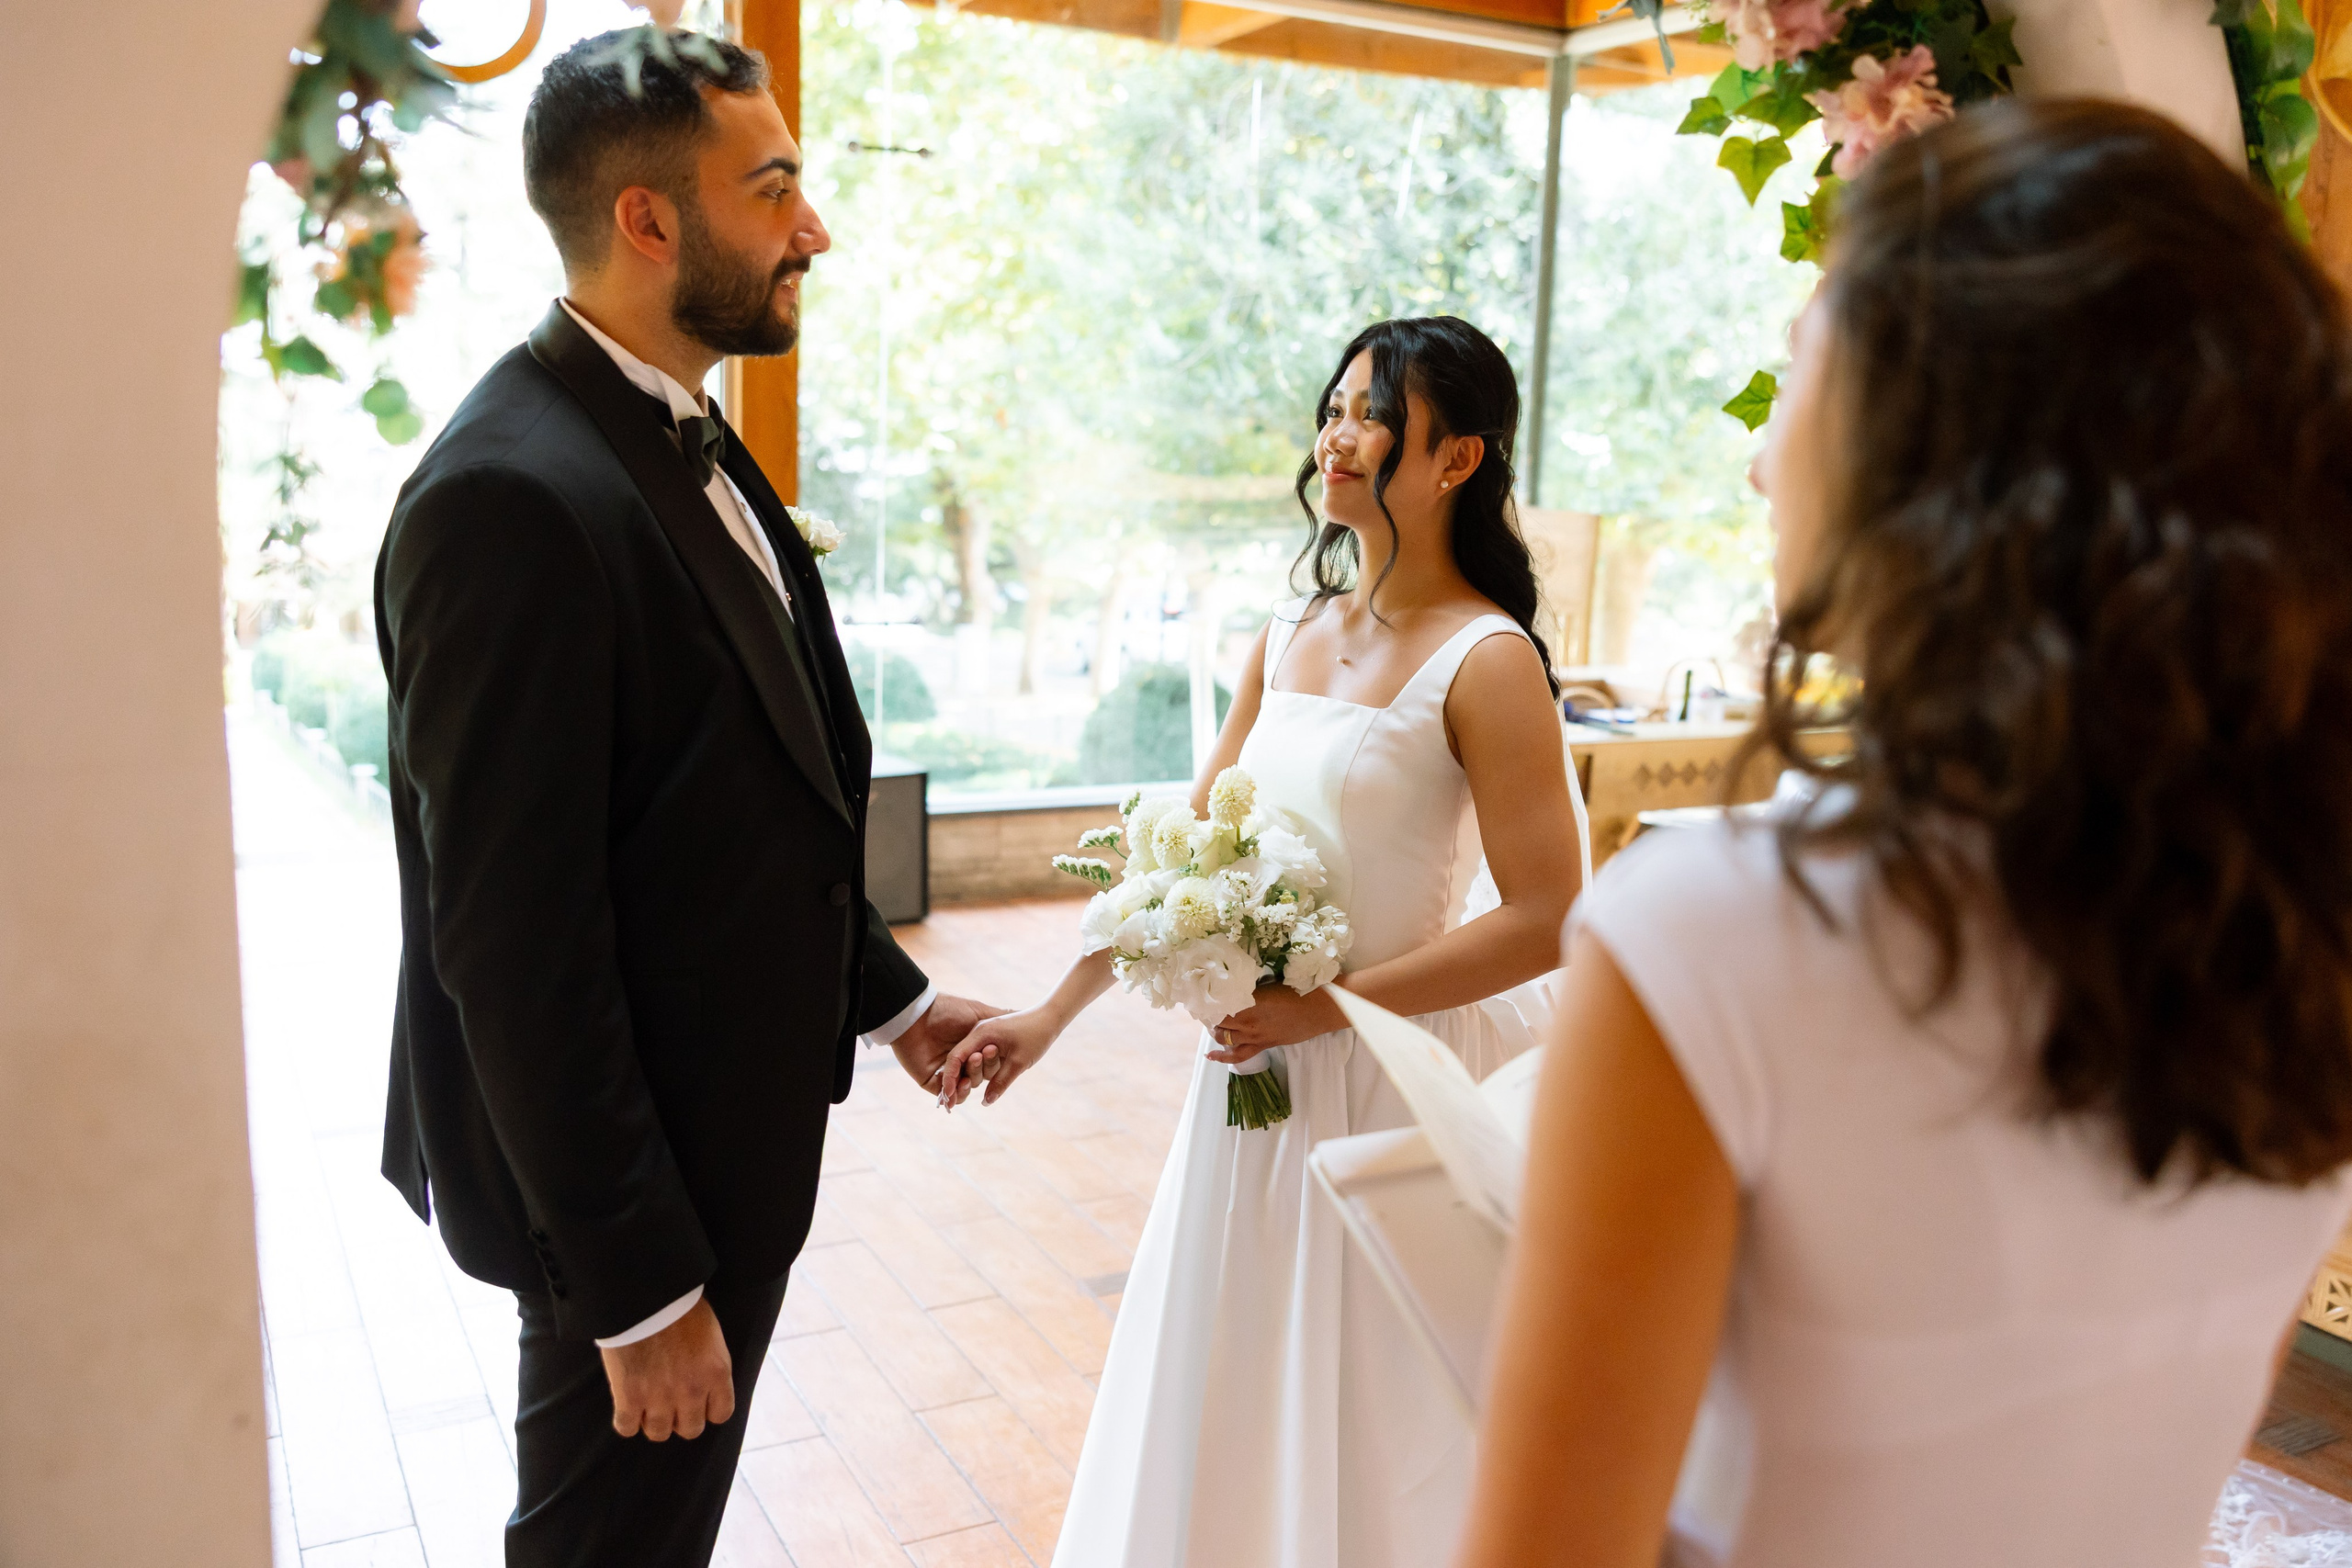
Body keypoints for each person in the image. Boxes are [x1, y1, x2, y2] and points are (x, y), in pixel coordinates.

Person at [1458, 97, 2352, 1568]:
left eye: (1802, 357)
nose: (1759, 465)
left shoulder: (1712, 933)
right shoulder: (2297, 908)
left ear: (1931, 438)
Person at [372, 30, 1000, 1567]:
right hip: (630, 1196)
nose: (814, 227)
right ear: (650, 221)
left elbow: (741, 794)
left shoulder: (671, 427)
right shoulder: (507, 498)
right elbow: (515, 940)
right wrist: (638, 1288)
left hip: (721, 1147)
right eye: (774, 186)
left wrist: (891, 998)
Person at [941, 316, 1583, 1566]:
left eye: (1370, 411)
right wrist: (1048, 1016)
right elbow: (1180, 859)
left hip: (1383, 1080)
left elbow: (1549, 915)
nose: (1335, 436)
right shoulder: (1286, 635)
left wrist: (1332, 1009)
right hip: (1249, 1081)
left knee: (1378, 1404)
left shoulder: (1490, 662)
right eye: (1333, 408)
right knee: (1235, 1364)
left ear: (1458, 459)